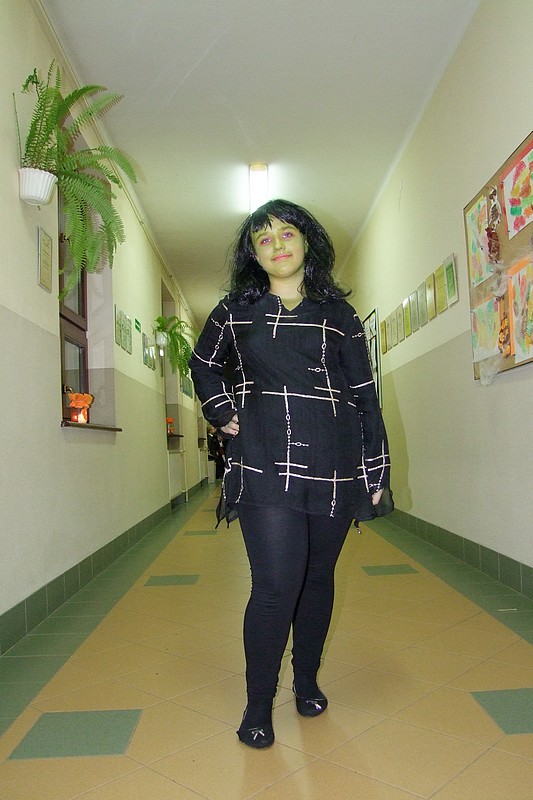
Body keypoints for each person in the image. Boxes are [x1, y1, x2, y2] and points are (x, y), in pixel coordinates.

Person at [189, 199, 390, 749]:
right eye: (264, 238)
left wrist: (375, 468)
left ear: (307, 242)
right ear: (253, 255)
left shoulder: (338, 314)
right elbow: (203, 364)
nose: (277, 244)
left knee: (317, 579)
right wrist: (220, 409)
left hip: (333, 461)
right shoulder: (234, 311)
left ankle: (306, 680)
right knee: (276, 586)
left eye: (286, 233)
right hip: (262, 458)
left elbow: (364, 394)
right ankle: (258, 704)